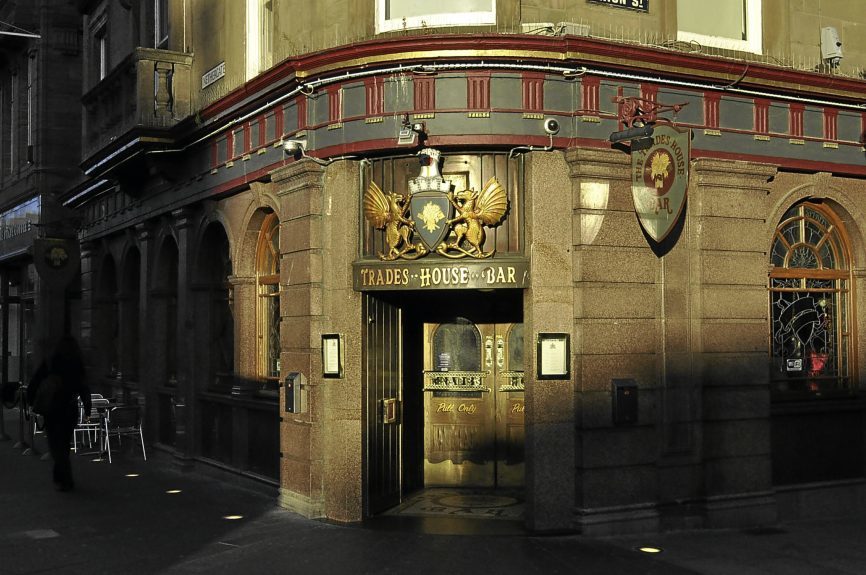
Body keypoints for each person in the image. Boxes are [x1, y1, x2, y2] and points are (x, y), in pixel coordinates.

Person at [27, 335, 90, 492]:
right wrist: (87, 409)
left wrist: (30, 401)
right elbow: (84, 388)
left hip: (52, 409)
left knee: (55, 444)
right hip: (69, 408)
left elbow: (35, 381)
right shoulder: (77, 364)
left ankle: (63, 478)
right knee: (64, 443)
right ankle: (63, 477)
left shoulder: (50, 362)